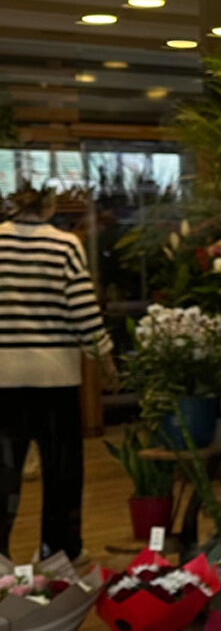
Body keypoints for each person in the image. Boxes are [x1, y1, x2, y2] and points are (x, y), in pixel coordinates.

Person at [0, 186, 115, 562]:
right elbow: (83, 308)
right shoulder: (64, 245)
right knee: (61, 469)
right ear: (49, 208)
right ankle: (59, 549)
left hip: (3, 377)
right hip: (56, 376)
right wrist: (104, 357)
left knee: (3, 471)